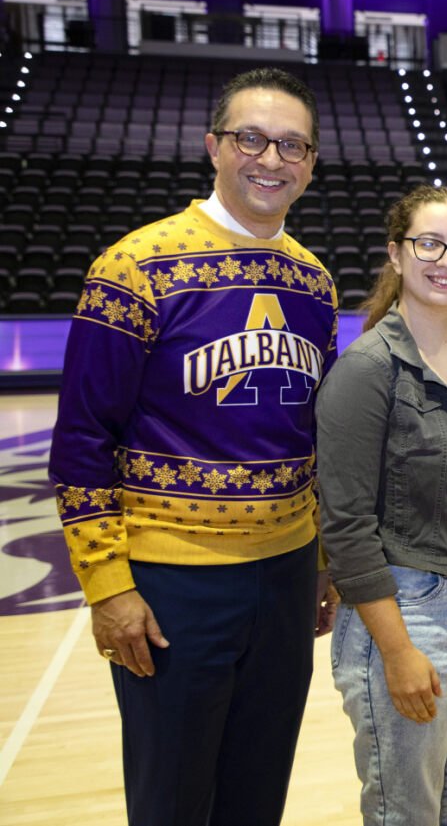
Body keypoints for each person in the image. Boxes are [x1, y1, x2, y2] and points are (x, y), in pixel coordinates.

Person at [48, 66, 338, 825]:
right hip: (173, 582)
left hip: (284, 576)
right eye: (251, 139)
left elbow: (311, 438)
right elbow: (82, 441)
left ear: (309, 164)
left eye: (291, 145)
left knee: (257, 787)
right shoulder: (132, 267)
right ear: (213, 147)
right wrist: (108, 585)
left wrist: (322, 559)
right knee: (173, 796)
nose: (270, 160)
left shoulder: (313, 283)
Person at [315, 184, 447, 826]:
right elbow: (346, 527)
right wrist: (398, 650)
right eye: (430, 243)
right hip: (410, 615)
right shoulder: (366, 370)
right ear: (397, 255)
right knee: (405, 814)